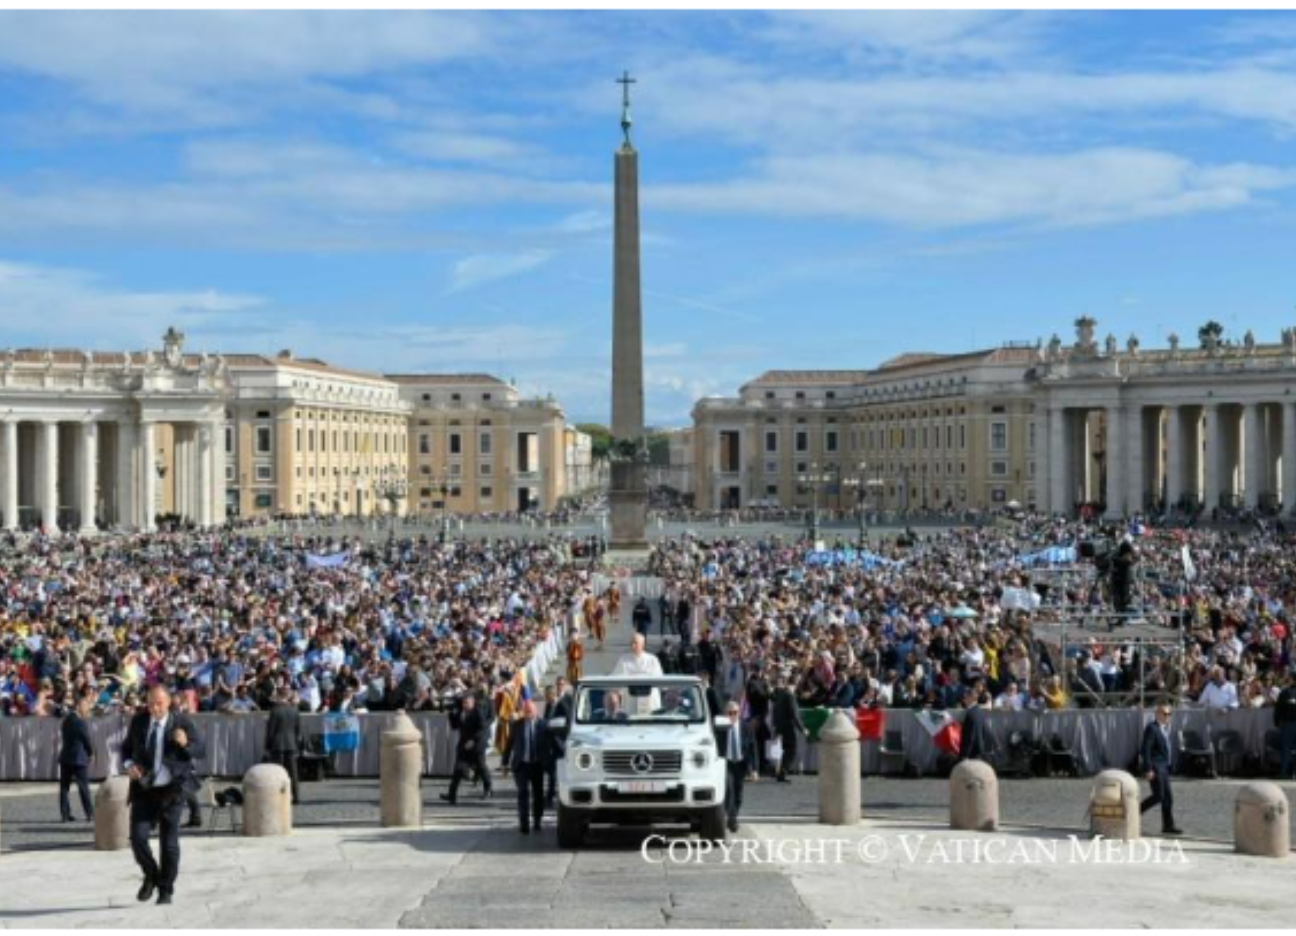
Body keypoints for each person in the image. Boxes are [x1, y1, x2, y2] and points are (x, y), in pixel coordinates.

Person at [121, 685, 207, 905]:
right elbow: (125, 749)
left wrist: (185, 742)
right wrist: (129, 764)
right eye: (150, 703)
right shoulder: (139, 721)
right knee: (138, 838)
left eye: (159, 703)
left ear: (169, 702)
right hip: (144, 789)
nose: (154, 707)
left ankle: (166, 889)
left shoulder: (181, 722)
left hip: (172, 791)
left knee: (168, 844)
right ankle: (151, 875)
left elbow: (200, 749)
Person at [501, 700, 547, 835]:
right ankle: (524, 823)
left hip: (538, 765)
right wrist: (505, 762)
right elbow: (509, 745)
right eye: (526, 711)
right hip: (521, 765)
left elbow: (552, 743)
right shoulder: (517, 725)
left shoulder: (543, 725)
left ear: (536, 711)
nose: (528, 714)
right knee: (523, 793)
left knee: (538, 794)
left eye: (530, 711)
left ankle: (537, 820)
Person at [1139, 703, 1182, 835]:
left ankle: (1168, 826)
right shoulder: (1151, 728)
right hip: (1156, 767)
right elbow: (1145, 749)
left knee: (1168, 797)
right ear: (1157, 714)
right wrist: (1148, 769)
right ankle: (1134, 812)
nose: (1167, 716)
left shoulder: (1163, 729)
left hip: (1164, 767)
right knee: (1159, 796)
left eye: (1169, 714)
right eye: (1164, 713)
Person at [442, 691, 493, 804]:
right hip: (463, 744)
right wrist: (451, 714)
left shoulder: (478, 712)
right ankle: (452, 795)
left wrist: (473, 740)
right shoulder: (461, 711)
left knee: (481, 767)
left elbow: (482, 729)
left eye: (467, 702)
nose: (465, 705)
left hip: (477, 744)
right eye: (464, 703)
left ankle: (488, 788)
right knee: (458, 769)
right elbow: (455, 726)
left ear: (473, 702)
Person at [58, 690, 96, 823]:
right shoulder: (80, 722)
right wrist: (91, 753)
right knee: (83, 787)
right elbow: (86, 740)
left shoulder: (67, 720)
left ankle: (65, 814)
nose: (87, 709)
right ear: (79, 706)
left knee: (64, 787)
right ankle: (90, 813)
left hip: (65, 757)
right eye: (86, 706)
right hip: (79, 758)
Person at [263, 687, 303, 805]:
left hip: (277, 744)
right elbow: (298, 730)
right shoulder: (294, 710)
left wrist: (267, 746)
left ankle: (278, 795)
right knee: (293, 773)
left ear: (279, 695)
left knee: (277, 773)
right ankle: (296, 797)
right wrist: (295, 744)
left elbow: (270, 731)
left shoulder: (275, 710)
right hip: (291, 744)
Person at [717, 700, 747, 833]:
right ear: (725, 714)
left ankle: (732, 815)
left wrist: (754, 769)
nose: (732, 715)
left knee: (739, 792)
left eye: (735, 713)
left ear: (739, 713)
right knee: (729, 790)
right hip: (726, 762)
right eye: (729, 713)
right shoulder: (720, 728)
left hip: (741, 763)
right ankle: (732, 819)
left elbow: (753, 748)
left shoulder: (745, 727)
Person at [769, 676, 807, 782]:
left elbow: (775, 710)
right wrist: (802, 729)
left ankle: (779, 771)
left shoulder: (780, 694)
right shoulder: (790, 696)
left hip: (780, 726)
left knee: (783, 749)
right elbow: (794, 714)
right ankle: (783, 772)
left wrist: (776, 726)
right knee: (791, 750)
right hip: (789, 727)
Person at [1275, 670, 1296, 779]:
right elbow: (1278, 708)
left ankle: (1285, 772)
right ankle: (1286, 772)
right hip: (1288, 724)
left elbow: (1278, 709)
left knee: (1286, 749)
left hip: (1287, 724)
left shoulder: (1284, 692)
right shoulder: (1285, 692)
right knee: (1287, 749)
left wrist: (1277, 722)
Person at [958, 687, 988, 762]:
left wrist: (965, 755)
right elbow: (985, 732)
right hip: (979, 752)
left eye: (965, 697)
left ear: (971, 698)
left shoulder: (971, 714)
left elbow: (970, 737)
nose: (963, 699)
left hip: (971, 754)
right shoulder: (980, 712)